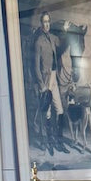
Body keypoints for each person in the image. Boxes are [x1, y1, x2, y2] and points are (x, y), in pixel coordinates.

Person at [32, 11, 65, 153]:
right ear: (41, 23)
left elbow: (63, 45)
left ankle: (58, 140)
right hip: (45, 80)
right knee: (47, 113)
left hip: (54, 78)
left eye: (48, 22)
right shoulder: (39, 41)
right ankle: (47, 142)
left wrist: (65, 30)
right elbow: (35, 66)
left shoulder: (53, 38)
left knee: (60, 109)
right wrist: (42, 85)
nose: (46, 24)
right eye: (44, 22)